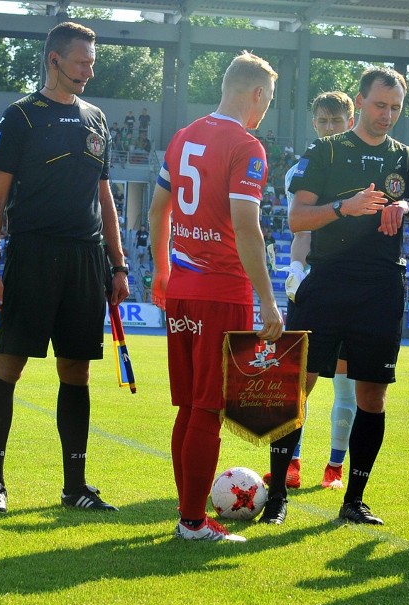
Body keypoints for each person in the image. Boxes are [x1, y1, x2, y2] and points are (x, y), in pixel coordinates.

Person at [262, 66, 409, 527]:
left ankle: (354, 500)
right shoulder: (325, 151)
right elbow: (297, 219)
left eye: (396, 108)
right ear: (359, 102)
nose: (387, 115)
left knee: (373, 396)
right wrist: (344, 207)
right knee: (297, 389)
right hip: (325, 285)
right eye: (380, 105)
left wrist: (405, 207)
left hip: (381, 289)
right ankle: (278, 494)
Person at [0, 22, 129, 514]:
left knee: (76, 371)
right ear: (55, 60)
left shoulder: (96, 118)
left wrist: (119, 264)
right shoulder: (20, 117)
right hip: (33, 255)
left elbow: (104, 197)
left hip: (85, 260)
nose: (89, 69)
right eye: (81, 61)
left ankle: (75, 487)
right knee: (9, 366)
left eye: (92, 61)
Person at [147, 51, 283, 542]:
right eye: (268, 99)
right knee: (207, 408)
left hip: (181, 289)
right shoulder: (246, 145)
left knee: (189, 406)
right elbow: (247, 228)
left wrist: (162, 272)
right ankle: (191, 522)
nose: (266, 108)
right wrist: (267, 300)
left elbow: (158, 211)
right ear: (257, 94)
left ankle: (189, 514)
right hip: (221, 292)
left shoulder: (184, 136)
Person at [274, 91, 357, 491]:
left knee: (346, 382)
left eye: (335, 121)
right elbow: (301, 228)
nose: (328, 128)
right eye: (322, 121)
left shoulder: (366, 164)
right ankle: (291, 461)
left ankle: (335, 466)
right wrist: (295, 268)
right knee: (299, 382)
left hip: (356, 285)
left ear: (350, 120)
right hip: (319, 281)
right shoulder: (300, 171)